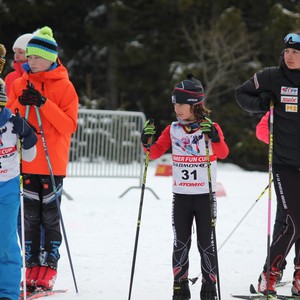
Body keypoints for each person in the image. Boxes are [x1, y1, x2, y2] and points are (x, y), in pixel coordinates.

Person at [141, 74, 229, 300]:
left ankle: (209, 285)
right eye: (175, 104)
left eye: (181, 104)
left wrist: (215, 137)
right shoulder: (173, 129)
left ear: (195, 105)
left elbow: (223, 153)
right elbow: (154, 152)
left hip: (204, 196)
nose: (177, 109)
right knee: (181, 242)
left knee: (205, 243)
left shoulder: (210, 126)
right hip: (181, 195)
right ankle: (180, 284)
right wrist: (145, 141)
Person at [6, 26, 78, 292]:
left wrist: (44, 103)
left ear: (50, 58)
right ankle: (32, 265)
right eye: (30, 56)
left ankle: (49, 267)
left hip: (52, 162)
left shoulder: (65, 86)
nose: (30, 61)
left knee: (50, 218)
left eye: (36, 57)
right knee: (29, 218)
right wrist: (20, 105)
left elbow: (69, 126)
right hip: (25, 161)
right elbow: (10, 118)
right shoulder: (18, 83)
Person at [235, 31, 300, 296]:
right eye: (287, 52)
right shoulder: (272, 76)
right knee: (294, 222)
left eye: (295, 52)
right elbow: (241, 93)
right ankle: (269, 276)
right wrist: (260, 103)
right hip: (285, 164)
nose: (290, 56)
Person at [0, 77, 37, 300]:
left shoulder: (13, 122)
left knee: (5, 240)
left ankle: (7, 292)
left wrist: (28, 135)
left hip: (7, 188)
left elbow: (30, 157)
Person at [4, 32, 35, 96]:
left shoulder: (39, 77)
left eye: (21, 52)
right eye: (15, 52)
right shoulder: (9, 77)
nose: (16, 55)